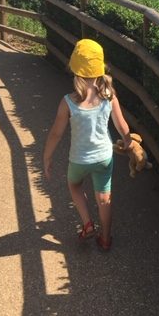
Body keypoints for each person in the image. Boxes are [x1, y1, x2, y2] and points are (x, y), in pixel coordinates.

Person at [43, 39, 132, 251]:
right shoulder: (109, 97)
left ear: (76, 71)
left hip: (79, 159)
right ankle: (106, 239)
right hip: (103, 157)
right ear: (100, 69)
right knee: (104, 198)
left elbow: (56, 133)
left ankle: (87, 223)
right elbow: (122, 125)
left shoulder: (68, 102)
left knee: (74, 185)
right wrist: (129, 144)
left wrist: (47, 157)